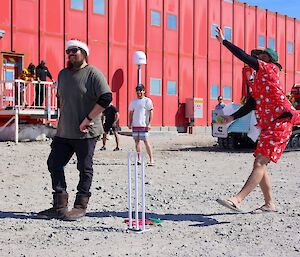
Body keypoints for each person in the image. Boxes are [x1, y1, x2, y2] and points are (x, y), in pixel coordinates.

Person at [215, 26, 300, 213]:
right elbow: (250, 105)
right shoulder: (259, 84)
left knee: (260, 162)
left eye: (260, 56)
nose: (257, 59)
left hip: (282, 121)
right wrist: (231, 117)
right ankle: (270, 203)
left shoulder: (269, 70)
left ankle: (237, 199)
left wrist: (225, 42)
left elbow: (244, 56)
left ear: (268, 59)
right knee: (260, 163)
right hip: (271, 125)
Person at [38, 39, 112, 221]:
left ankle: (80, 206)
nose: (70, 54)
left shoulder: (93, 74)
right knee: (54, 164)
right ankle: (59, 205)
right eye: (68, 51)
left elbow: (106, 98)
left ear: (84, 53)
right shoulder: (63, 74)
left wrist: (88, 119)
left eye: (74, 51)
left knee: (84, 168)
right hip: (64, 132)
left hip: (86, 132)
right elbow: (64, 101)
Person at [128, 84, 154, 166]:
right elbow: (131, 112)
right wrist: (130, 122)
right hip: (135, 125)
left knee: (146, 141)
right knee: (136, 142)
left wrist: (150, 123)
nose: (139, 92)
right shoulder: (133, 101)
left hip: (144, 125)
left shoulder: (147, 101)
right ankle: (139, 159)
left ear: (144, 91)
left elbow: (151, 112)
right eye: (138, 91)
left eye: (141, 90)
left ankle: (151, 159)